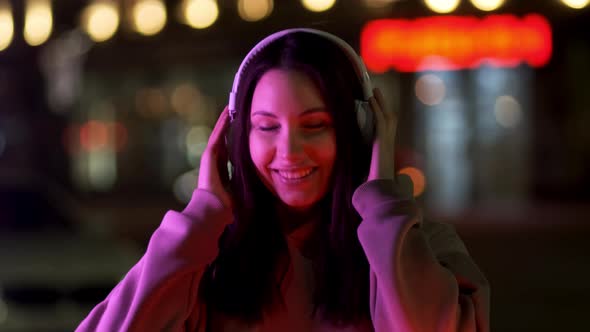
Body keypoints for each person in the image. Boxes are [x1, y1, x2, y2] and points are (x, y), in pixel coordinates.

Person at [76, 29, 490, 332]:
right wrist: (202, 216)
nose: (289, 151)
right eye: (266, 126)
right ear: (238, 137)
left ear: (360, 129)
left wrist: (383, 205)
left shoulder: (428, 250)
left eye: (314, 125)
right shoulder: (206, 262)